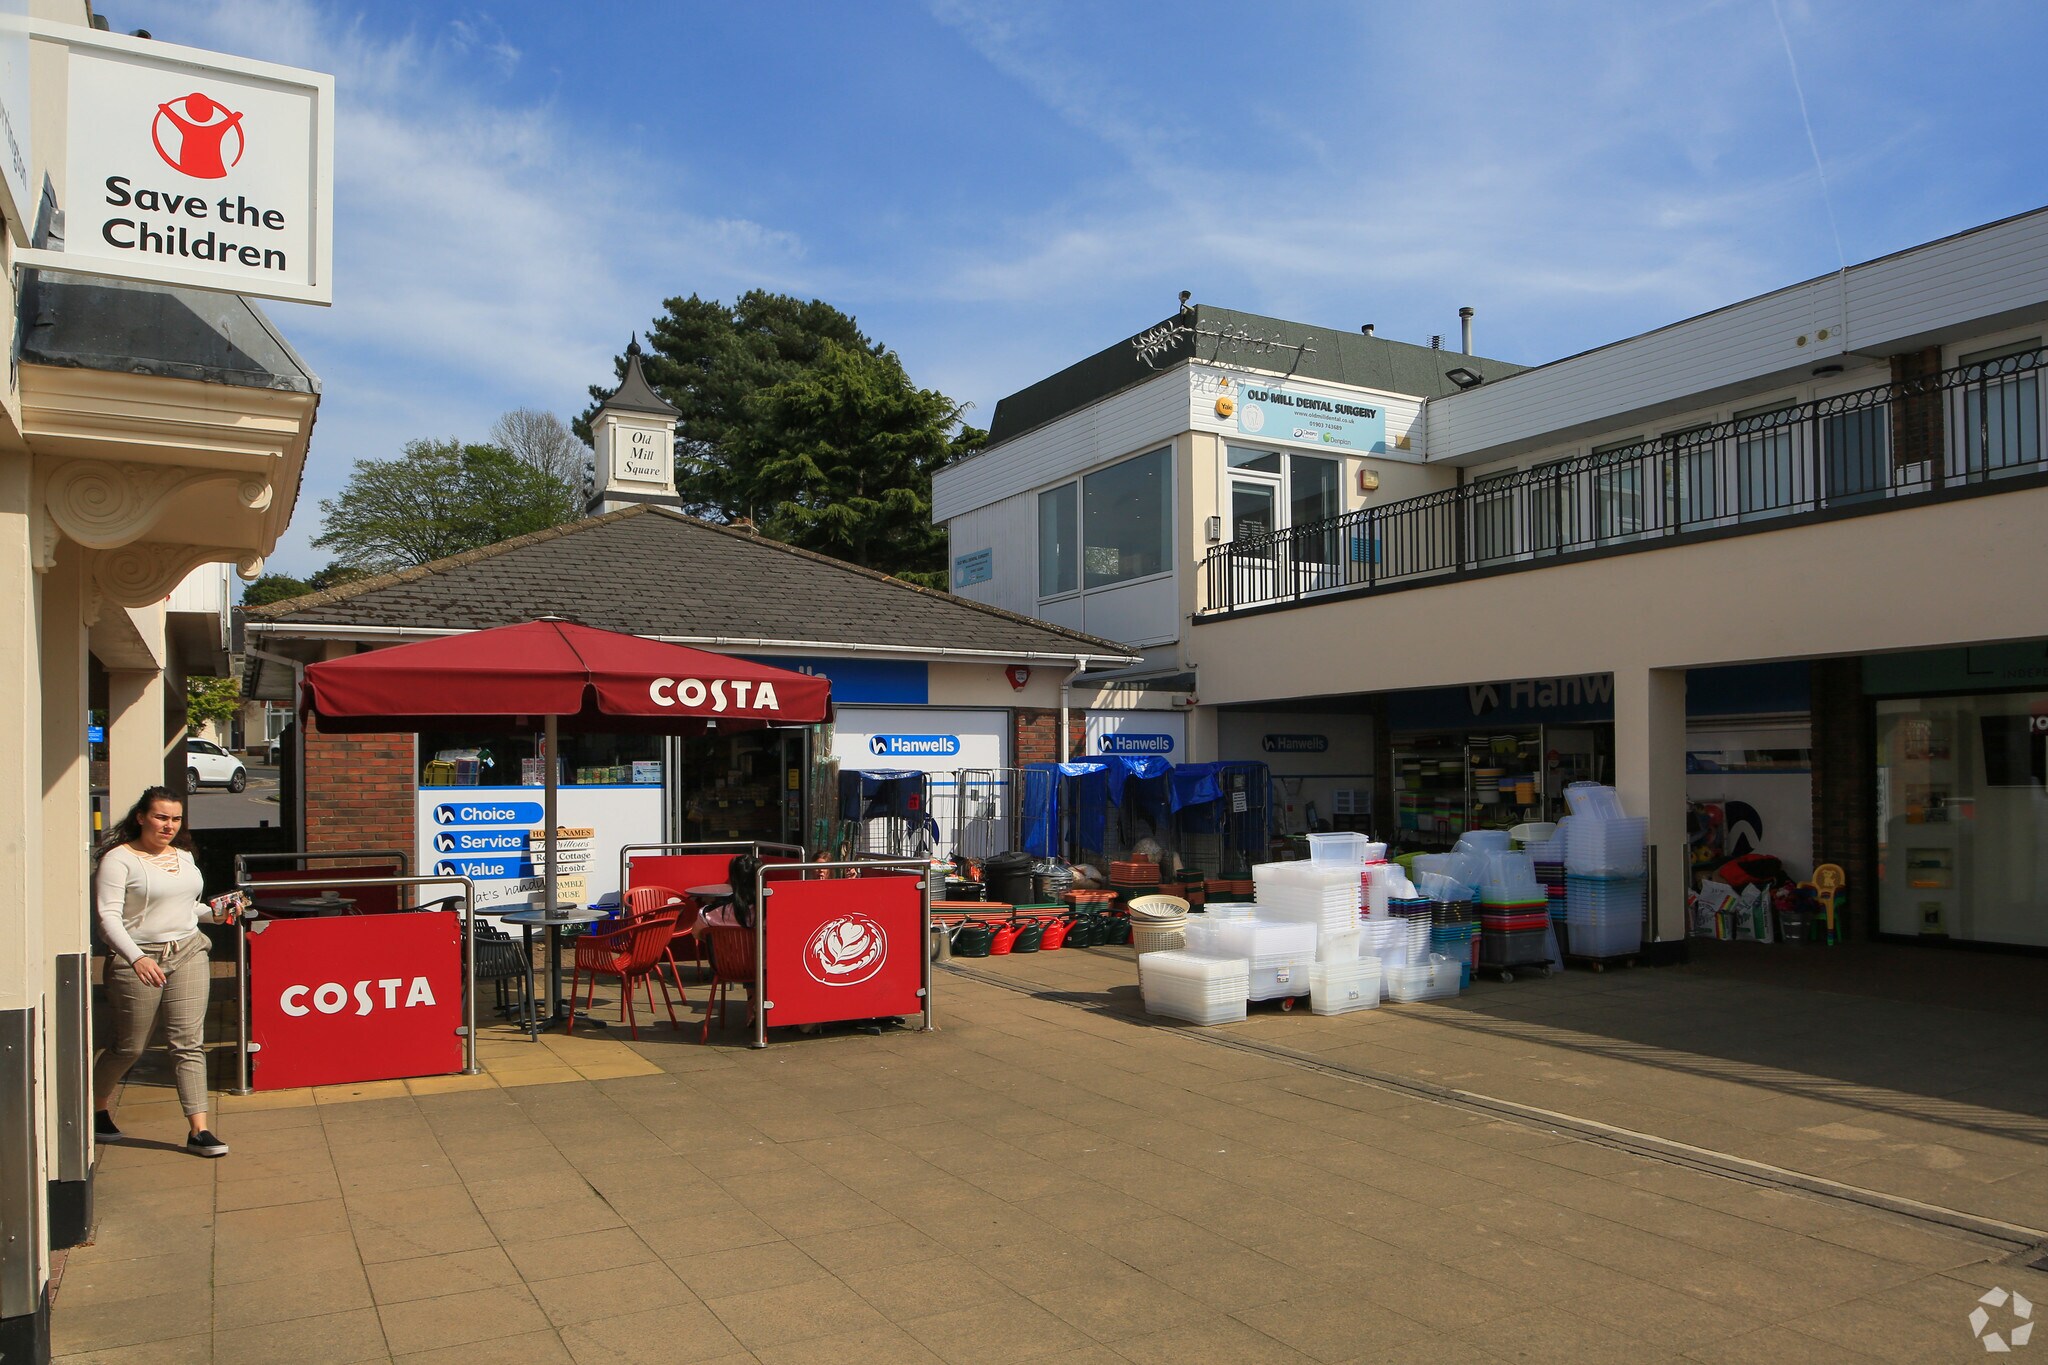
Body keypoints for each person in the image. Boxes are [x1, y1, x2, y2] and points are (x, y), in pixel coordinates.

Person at [91, 788, 228, 1157]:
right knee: (130, 1045)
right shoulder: (119, 860)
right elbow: (108, 918)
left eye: (176, 819)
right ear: (141, 817)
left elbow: (188, 908)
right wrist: (137, 957)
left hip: (188, 952)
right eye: (161, 817)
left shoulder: (183, 856)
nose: (169, 825)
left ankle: (199, 1130)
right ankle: (96, 1107)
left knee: (188, 1042)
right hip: (138, 958)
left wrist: (218, 912)